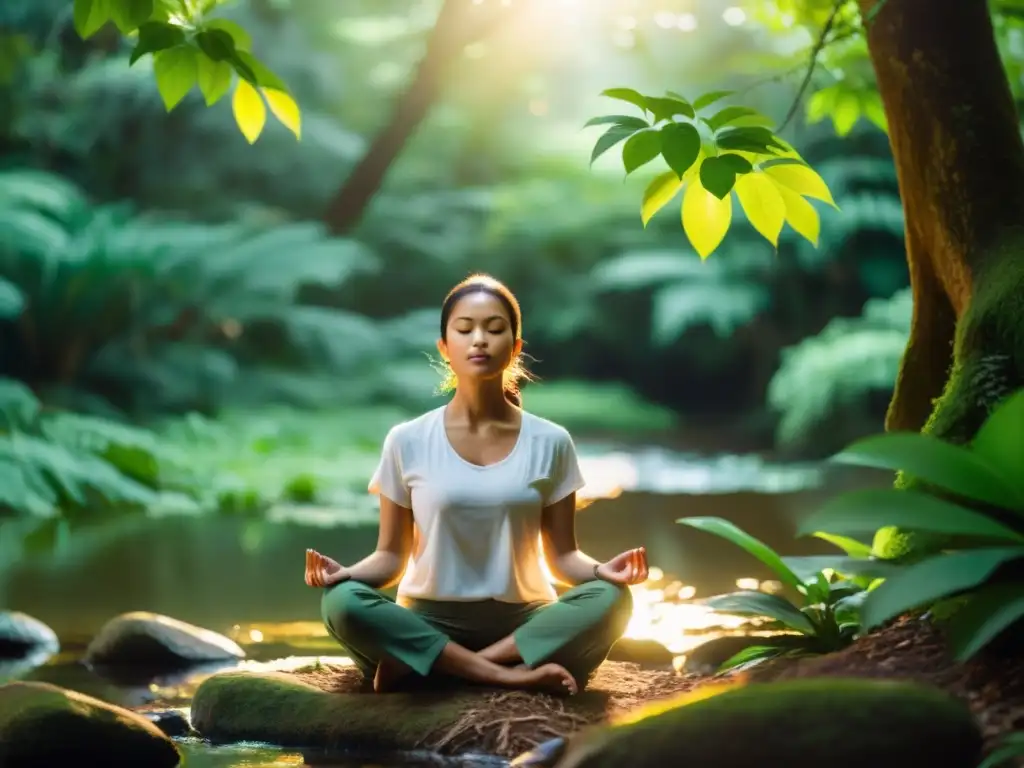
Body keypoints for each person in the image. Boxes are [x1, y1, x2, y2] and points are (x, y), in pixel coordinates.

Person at [304, 273, 649, 696]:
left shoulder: (552, 441)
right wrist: (345, 574)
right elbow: (390, 557)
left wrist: (601, 571)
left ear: (515, 347)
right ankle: (505, 675)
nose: (480, 340)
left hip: (524, 624)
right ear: (445, 348)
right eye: (465, 329)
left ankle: (445, 668)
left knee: (612, 599)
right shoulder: (407, 440)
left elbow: (563, 556)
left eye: (494, 328)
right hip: (427, 621)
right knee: (341, 602)